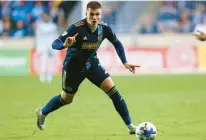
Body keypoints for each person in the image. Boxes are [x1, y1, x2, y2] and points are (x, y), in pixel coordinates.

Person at [35, 1, 139, 134]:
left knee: (113, 92)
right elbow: (55, 44)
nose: (94, 17)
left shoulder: (104, 28)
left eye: (97, 14)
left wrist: (124, 62)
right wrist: (65, 44)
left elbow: (117, 43)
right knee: (66, 99)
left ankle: (130, 127)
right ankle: (42, 112)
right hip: (73, 68)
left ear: (100, 15)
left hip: (92, 64)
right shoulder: (76, 28)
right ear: (86, 14)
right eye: (91, 14)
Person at [35, 12, 58, 83]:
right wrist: (38, 47)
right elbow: (38, 37)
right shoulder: (40, 26)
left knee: (50, 63)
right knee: (43, 62)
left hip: (51, 46)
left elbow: (56, 36)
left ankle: (49, 77)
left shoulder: (53, 26)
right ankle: (42, 77)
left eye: (47, 16)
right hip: (43, 46)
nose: (46, 18)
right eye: (44, 17)